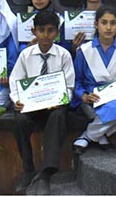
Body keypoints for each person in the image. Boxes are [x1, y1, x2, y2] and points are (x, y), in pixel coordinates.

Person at [9, 10, 75, 195]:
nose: (46, 35)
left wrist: (60, 99)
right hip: (31, 106)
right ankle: (28, 169)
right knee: (19, 120)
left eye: (50, 30)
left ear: (57, 32)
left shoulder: (64, 55)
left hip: (54, 106)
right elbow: (15, 82)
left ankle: (48, 171)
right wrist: (18, 100)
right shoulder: (26, 55)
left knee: (58, 115)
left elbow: (69, 87)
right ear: (33, 31)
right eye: (41, 30)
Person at [71, 6, 116, 154]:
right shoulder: (84, 50)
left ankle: (89, 135)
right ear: (96, 24)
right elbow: (76, 81)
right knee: (111, 108)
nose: (108, 27)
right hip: (93, 96)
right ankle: (100, 135)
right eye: (104, 22)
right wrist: (83, 96)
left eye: (113, 23)